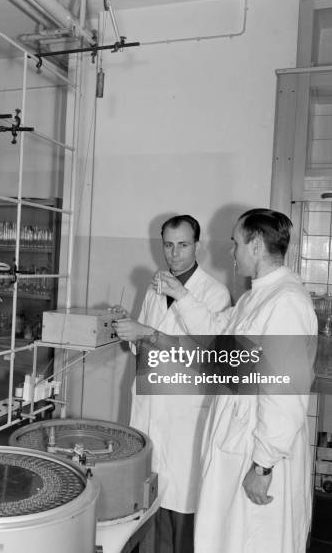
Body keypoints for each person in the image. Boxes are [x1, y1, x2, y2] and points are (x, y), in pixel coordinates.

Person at [126, 208, 317, 553]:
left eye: (236, 243)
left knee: (256, 540)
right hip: (238, 441)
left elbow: (285, 390)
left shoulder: (286, 302)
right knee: (228, 539)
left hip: (256, 453)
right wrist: (182, 296)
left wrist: (264, 464)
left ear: (256, 245)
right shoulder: (256, 297)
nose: (231, 252)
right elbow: (217, 336)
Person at [112, 214, 230, 553]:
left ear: (198, 246)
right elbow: (143, 341)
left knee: (182, 506)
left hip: (185, 412)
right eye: (168, 245)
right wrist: (128, 326)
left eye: (183, 245)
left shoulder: (215, 294)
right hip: (151, 404)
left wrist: (146, 333)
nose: (175, 253)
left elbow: (208, 356)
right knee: (150, 500)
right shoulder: (156, 286)